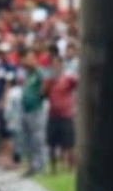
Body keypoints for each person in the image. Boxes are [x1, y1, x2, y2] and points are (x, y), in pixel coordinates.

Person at [42, 48, 77, 173]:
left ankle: (70, 167)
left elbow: (78, 86)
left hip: (66, 114)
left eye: (57, 64)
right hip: (53, 115)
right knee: (51, 143)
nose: (55, 66)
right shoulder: (48, 81)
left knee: (69, 143)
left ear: (61, 65)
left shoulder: (68, 79)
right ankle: (53, 168)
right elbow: (42, 94)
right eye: (53, 64)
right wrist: (48, 85)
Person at [17, 48, 45, 176]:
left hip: (36, 109)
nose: (28, 61)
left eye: (30, 58)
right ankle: (31, 165)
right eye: (26, 59)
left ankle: (40, 166)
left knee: (37, 139)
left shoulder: (39, 73)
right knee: (27, 140)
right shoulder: (27, 74)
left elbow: (44, 87)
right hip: (25, 110)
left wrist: (38, 97)